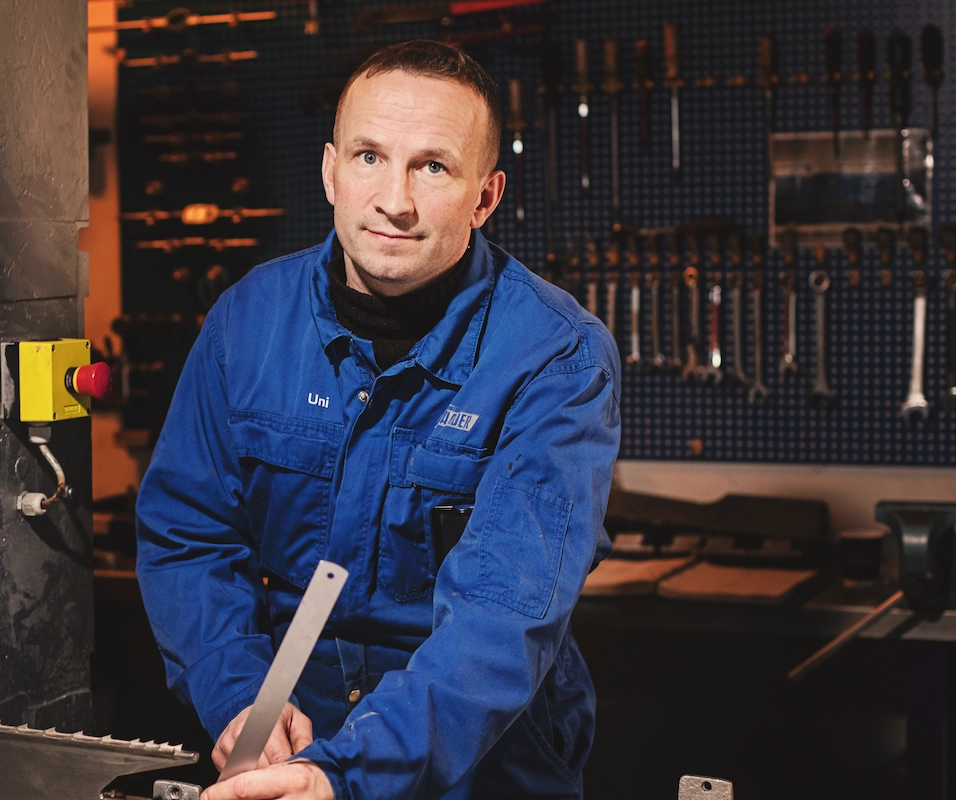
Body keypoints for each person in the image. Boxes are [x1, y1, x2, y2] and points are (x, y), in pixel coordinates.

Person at [136, 39, 621, 800]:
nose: (395, 200)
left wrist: (347, 777)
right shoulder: (248, 321)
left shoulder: (556, 358)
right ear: (330, 171)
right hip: (290, 744)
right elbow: (189, 533)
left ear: (486, 197)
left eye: (433, 167)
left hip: (483, 768)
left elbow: (504, 616)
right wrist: (236, 694)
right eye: (369, 157)